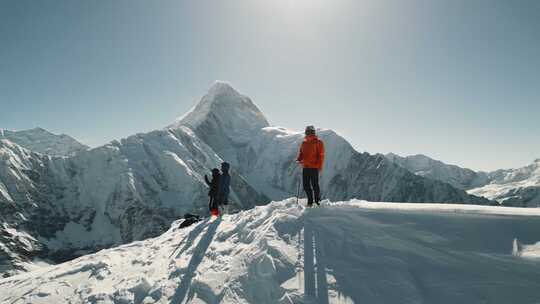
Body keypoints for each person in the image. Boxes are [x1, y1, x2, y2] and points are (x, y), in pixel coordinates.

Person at [296, 125, 325, 207]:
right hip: (306, 167)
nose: (309, 133)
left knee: (314, 185)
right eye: (308, 131)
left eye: (310, 131)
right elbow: (301, 153)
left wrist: (319, 166)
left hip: (314, 167)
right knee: (306, 185)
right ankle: (311, 201)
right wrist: (299, 159)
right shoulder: (304, 143)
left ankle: (316, 201)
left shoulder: (318, 142)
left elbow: (321, 155)